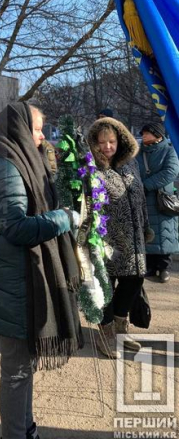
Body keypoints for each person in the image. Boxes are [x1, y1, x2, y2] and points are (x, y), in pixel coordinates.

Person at [0, 103, 82, 439]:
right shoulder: (7, 168)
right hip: (15, 282)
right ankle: (16, 434)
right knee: (17, 370)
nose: (41, 135)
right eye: (36, 128)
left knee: (22, 367)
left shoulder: (22, 162)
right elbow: (16, 228)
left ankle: (24, 428)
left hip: (23, 277)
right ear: (19, 129)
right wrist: (65, 217)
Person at [88, 116, 149, 359]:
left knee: (135, 279)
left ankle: (120, 326)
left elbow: (140, 197)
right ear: (95, 143)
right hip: (105, 238)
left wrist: (145, 226)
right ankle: (105, 333)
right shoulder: (90, 167)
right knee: (106, 286)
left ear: (120, 140)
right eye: (102, 142)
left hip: (133, 236)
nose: (107, 147)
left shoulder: (130, 164)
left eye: (111, 141)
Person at [136, 122, 179, 283]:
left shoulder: (169, 150)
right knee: (148, 232)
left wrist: (147, 185)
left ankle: (164, 268)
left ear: (158, 135)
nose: (144, 135)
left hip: (162, 200)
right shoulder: (138, 152)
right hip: (142, 199)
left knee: (164, 232)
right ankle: (151, 266)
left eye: (147, 133)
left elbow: (171, 171)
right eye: (143, 133)